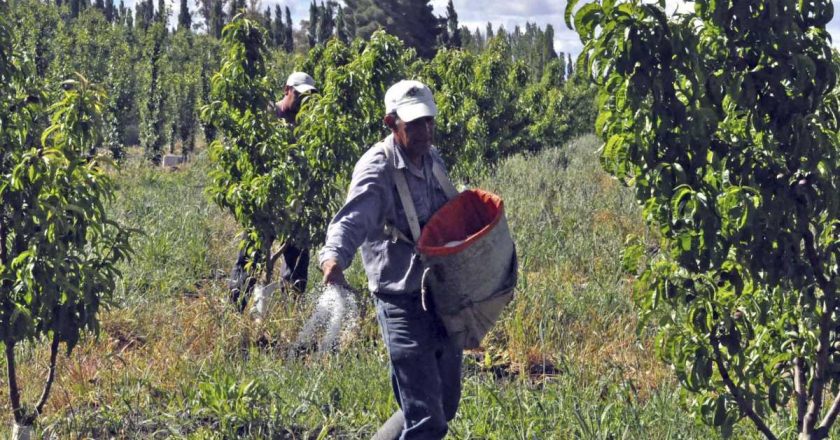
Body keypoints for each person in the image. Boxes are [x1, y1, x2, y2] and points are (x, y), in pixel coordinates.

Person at [319, 80, 463, 439]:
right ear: (391, 123)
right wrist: (334, 259)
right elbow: (351, 218)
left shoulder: (433, 159)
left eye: (428, 121)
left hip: (439, 294)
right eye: (413, 123)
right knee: (428, 421)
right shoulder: (378, 168)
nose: (424, 130)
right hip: (400, 300)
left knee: (443, 403)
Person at [228, 72, 317, 311]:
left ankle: (289, 316)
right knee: (251, 257)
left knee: (297, 263)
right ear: (286, 89)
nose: (303, 101)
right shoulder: (268, 116)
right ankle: (236, 311)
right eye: (299, 94)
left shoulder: (312, 125)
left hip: (298, 204)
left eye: (308, 97)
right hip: (265, 202)